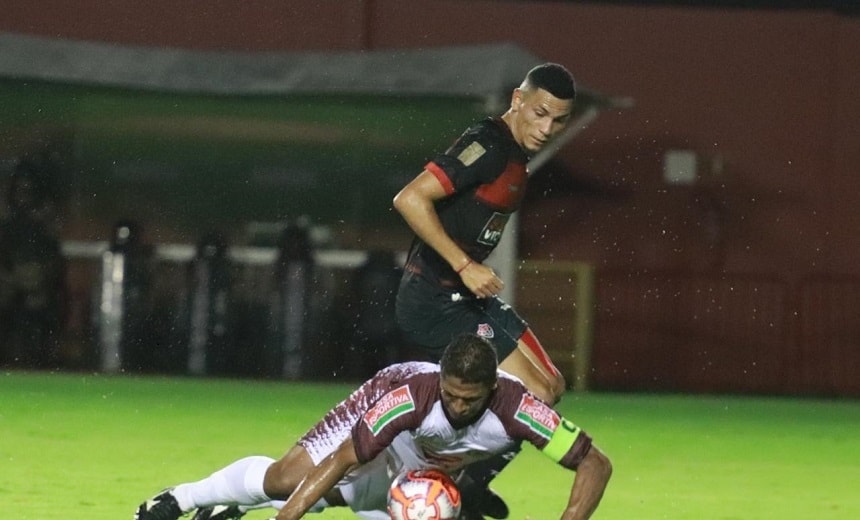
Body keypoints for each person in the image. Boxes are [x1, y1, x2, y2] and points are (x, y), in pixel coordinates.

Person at [134, 333, 612, 520]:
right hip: (387, 413)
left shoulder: (522, 410)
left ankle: (231, 509)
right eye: (451, 395)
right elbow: (344, 456)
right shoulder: (409, 398)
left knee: (388, 507)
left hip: (437, 461)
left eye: (470, 399)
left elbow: (595, 463)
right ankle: (185, 498)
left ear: (491, 390)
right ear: (440, 381)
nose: (459, 405)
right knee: (286, 480)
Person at [392, 62, 578, 517]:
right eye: (539, 113)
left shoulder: (515, 152)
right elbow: (409, 198)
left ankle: (468, 481)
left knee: (550, 387)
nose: (546, 128)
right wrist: (464, 263)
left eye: (558, 120)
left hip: (465, 295)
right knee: (532, 395)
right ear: (518, 100)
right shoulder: (489, 145)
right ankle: (444, 480)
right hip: (435, 300)